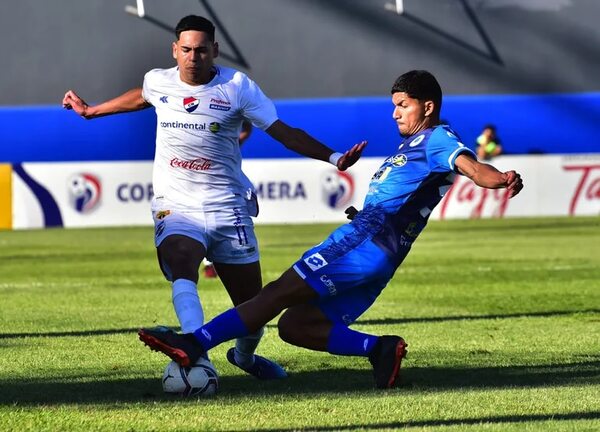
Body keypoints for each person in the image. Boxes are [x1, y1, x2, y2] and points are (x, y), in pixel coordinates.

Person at [138, 70, 523, 389]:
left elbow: (473, 168)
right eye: (394, 106)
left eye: (402, 106)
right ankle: (380, 349)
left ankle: (194, 342)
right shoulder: (416, 145)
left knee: (278, 291)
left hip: (367, 241)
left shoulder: (438, 138)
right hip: (382, 250)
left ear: (428, 106)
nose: (395, 115)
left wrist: (501, 177)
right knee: (297, 325)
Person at [62, 15, 366, 379]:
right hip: (176, 203)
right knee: (181, 262)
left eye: (201, 50)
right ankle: (195, 353)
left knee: (252, 311)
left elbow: (283, 131)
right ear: (175, 50)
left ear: (214, 51)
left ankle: (245, 358)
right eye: (186, 49)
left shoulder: (238, 87)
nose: (193, 57)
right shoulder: (158, 81)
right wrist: (92, 111)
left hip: (228, 206)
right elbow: (143, 97)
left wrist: (333, 157)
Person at [203, 120, 255, 279]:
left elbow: (246, 129)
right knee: (204, 227)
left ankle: (214, 264)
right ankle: (209, 265)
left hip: (227, 190)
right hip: (205, 190)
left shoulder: (229, 141)